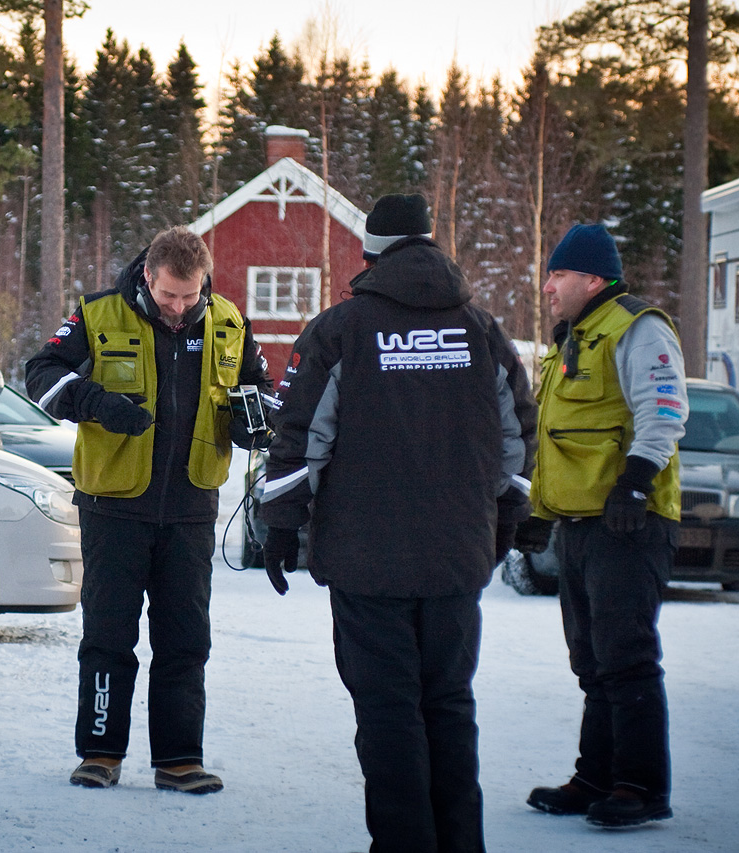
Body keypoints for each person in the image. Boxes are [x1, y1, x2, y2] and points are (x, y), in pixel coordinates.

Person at [259, 193, 536, 853]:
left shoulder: (340, 330)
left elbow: (298, 439)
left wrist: (280, 524)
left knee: (387, 712)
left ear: (370, 253)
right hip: (455, 560)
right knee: (448, 705)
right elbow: (518, 438)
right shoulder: (483, 330)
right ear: (431, 244)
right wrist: (505, 518)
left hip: (366, 560)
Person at [25, 225, 272, 795]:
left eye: (191, 296)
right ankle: (101, 753)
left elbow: (263, 388)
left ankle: (180, 760)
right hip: (114, 506)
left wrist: (257, 420)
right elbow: (40, 376)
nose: (180, 308)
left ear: (204, 282)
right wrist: (99, 404)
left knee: (186, 639)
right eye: (169, 296)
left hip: (191, 507)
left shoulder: (229, 322)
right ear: (148, 277)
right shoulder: (98, 313)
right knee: (109, 635)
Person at [518, 223, 686, 828]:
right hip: (582, 525)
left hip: (630, 522)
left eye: (557, 275)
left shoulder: (638, 328)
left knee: (626, 656)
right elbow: (557, 441)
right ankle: (596, 778)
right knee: (590, 660)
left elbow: (665, 409)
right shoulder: (574, 340)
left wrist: (635, 483)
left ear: (592, 279)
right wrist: (537, 517)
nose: (547, 288)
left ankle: (640, 787)